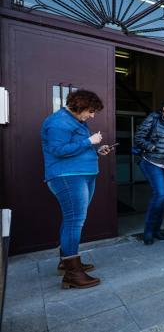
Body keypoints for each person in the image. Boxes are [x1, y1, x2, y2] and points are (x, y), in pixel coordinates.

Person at [41, 90, 112, 289]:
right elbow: (57, 150)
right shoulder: (58, 122)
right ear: (78, 106)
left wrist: (96, 149)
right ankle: (72, 274)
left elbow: (75, 148)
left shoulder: (77, 122)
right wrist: (89, 141)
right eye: (90, 111)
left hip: (82, 174)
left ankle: (67, 261)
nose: (92, 115)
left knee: (72, 219)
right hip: (67, 177)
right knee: (75, 221)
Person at [134, 97, 164, 245]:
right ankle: (148, 231)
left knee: (163, 197)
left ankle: (157, 230)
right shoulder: (153, 119)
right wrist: (151, 147)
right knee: (160, 194)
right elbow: (139, 137)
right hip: (152, 162)